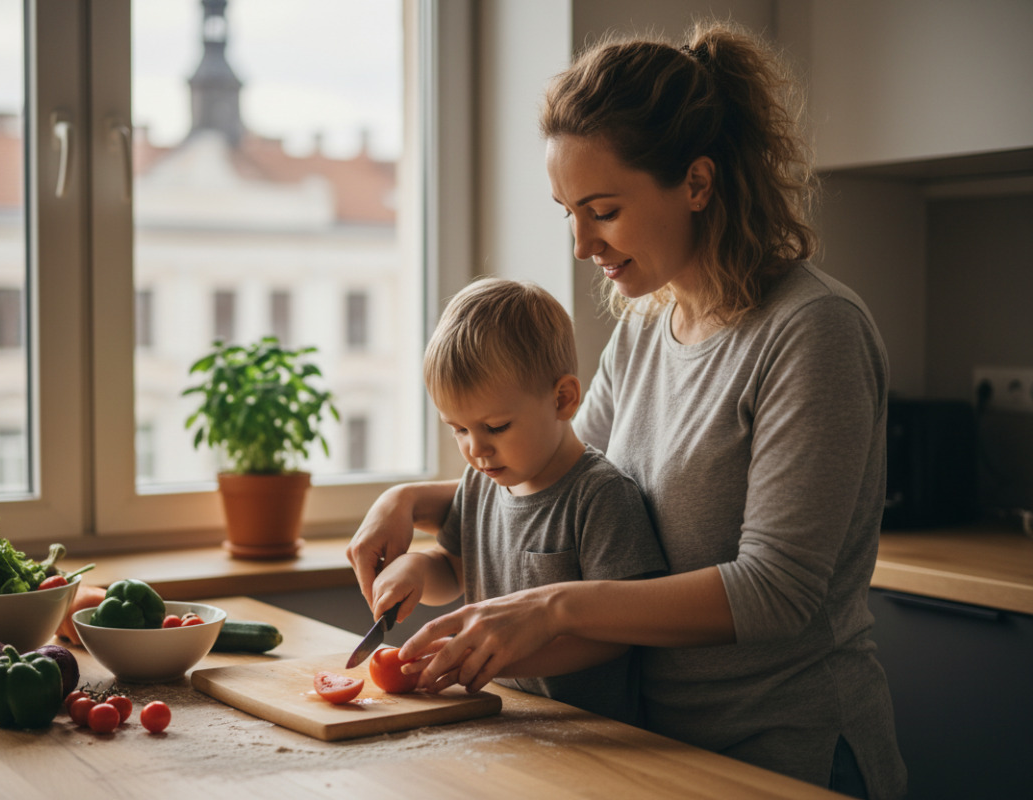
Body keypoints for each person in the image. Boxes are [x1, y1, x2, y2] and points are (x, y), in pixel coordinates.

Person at [347, 20, 906, 800]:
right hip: (653, 746)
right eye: (567, 210)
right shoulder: (647, 326)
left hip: (786, 752)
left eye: (602, 210)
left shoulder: (813, 332)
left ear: (698, 184)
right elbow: (555, 485)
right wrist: (410, 499)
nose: (581, 243)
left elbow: (775, 590)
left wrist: (549, 610)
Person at [370, 277, 666, 724]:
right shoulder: (479, 483)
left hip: (589, 730)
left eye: (496, 426)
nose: (476, 449)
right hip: (507, 716)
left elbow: (619, 633)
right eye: (459, 429)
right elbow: (453, 568)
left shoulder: (601, 495)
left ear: (563, 400)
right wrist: (415, 568)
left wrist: (501, 659)